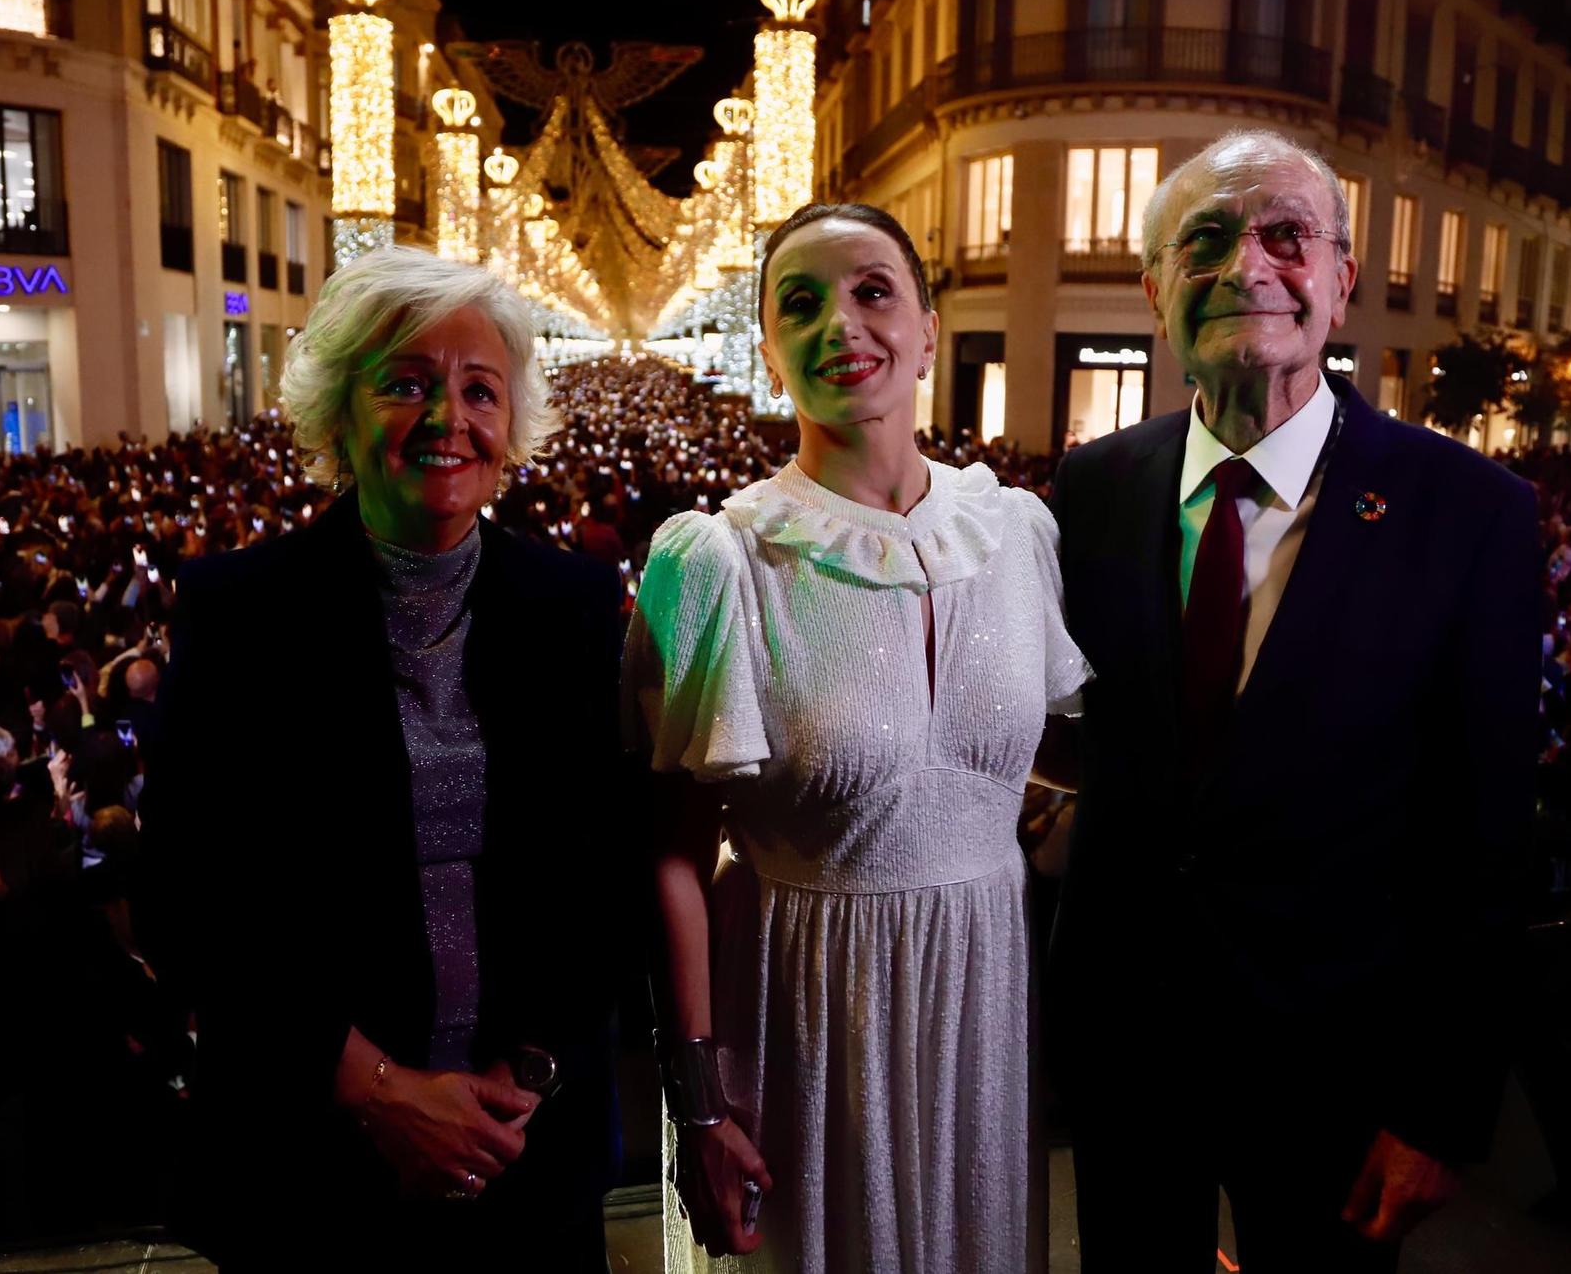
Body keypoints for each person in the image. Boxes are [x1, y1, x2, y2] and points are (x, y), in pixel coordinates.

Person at [1047, 130, 1540, 1271]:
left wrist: (1437, 1110)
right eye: (1204, 240)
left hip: (1339, 1070)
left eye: (1283, 234)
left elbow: (1487, 841)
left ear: (1341, 278)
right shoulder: (1091, 487)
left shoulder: (1468, 511)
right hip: (1126, 1053)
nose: (1246, 267)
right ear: (1154, 289)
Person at [136, 246, 625, 1267]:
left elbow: (606, 872)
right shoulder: (240, 612)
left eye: (477, 389)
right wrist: (385, 1093)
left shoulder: (575, 609)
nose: (447, 418)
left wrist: (520, 1082)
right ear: (336, 417)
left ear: (511, 425)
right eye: (406, 383)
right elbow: (186, 901)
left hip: (526, 1148)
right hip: (310, 1159)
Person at [625, 202, 1089, 1272]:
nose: (841, 323)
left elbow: (1051, 752)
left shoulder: (1016, 532)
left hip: (980, 995)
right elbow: (673, 856)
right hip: (800, 1008)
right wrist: (697, 1100)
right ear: (768, 349)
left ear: (928, 327)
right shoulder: (716, 561)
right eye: (801, 302)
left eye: (872, 291)